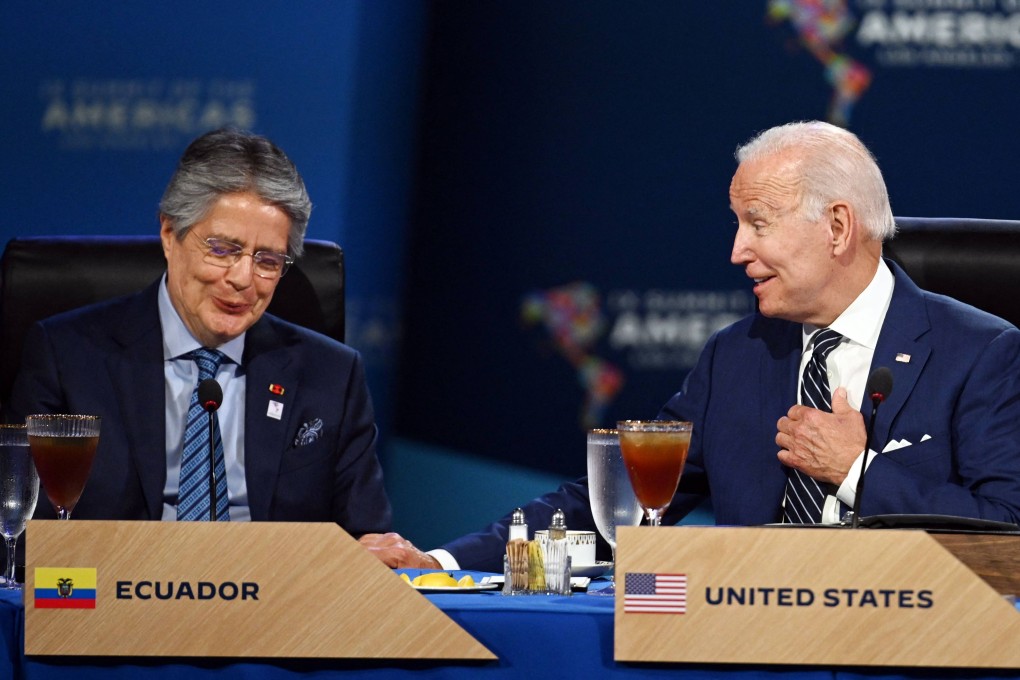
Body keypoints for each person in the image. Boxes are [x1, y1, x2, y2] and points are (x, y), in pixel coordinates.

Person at [361, 120, 1020, 573]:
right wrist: (444, 564)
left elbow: (1007, 534)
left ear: (839, 226)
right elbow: (614, 503)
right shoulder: (736, 358)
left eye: (758, 223)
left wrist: (857, 470)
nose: (738, 251)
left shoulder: (981, 354)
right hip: (740, 646)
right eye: (738, 225)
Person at [6, 128, 392, 536]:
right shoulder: (68, 358)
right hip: (117, 591)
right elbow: (29, 536)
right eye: (223, 249)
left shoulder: (331, 375)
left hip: (277, 594)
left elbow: (368, 541)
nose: (244, 279)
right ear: (170, 234)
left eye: (268, 260)